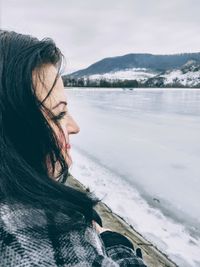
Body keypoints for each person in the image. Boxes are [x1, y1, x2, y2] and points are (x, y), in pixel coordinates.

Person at [0, 30, 147, 267]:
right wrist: (114, 242)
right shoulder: (43, 237)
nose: (75, 127)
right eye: (58, 114)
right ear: (14, 132)